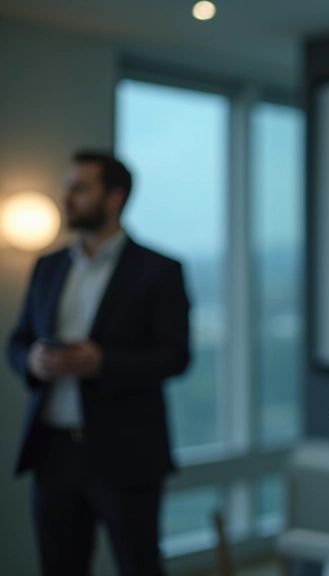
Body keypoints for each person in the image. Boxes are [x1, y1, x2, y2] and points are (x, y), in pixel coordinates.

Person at [7, 151, 191, 576]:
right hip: (53, 450)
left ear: (114, 198)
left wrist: (103, 363)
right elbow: (17, 341)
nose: (65, 196)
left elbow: (176, 357)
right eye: (67, 185)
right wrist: (31, 360)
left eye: (79, 188)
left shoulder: (159, 270)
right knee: (59, 567)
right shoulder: (48, 266)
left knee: (139, 565)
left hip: (126, 453)